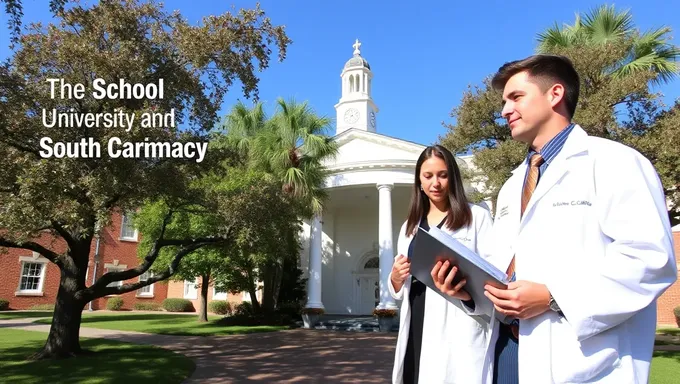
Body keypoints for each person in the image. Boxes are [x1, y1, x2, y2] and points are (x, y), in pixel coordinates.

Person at [444, 54, 676, 383]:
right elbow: (503, 270)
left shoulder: (615, 163)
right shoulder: (512, 186)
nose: (505, 110)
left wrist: (553, 297)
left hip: (583, 362)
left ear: (555, 94)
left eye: (516, 97)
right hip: (509, 355)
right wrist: (467, 290)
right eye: (504, 101)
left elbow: (650, 260)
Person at [388, 144, 496, 384]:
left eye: (442, 175)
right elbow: (400, 285)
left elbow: (494, 281)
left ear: (453, 178)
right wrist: (395, 278)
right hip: (417, 320)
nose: (435, 183)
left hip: (458, 324)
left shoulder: (476, 218)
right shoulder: (409, 226)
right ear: (419, 181)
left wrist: (466, 295)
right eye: (428, 176)